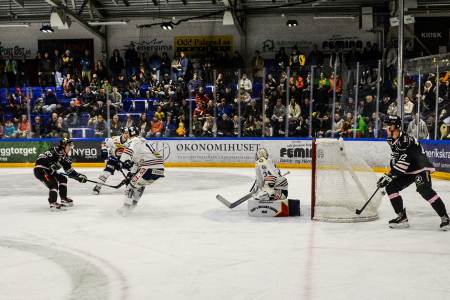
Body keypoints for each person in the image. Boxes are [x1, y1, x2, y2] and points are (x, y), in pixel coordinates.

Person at [378, 115, 449, 230]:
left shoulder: (406, 140)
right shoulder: (391, 139)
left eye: (388, 126)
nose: (386, 128)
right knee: (391, 187)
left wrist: (390, 175)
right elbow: (396, 158)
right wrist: (390, 176)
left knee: (424, 189)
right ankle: (401, 217)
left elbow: (404, 162)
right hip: (408, 169)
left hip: (420, 167)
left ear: (395, 127)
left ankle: (445, 217)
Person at [115, 126, 165, 216]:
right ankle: (132, 206)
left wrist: (120, 162)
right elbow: (138, 160)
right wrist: (132, 173)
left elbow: (128, 152)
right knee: (140, 185)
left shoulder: (133, 141)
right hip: (160, 168)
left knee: (130, 187)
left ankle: (125, 208)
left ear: (130, 135)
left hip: (148, 167)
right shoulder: (144, 141)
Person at [34, 138, 87, 211]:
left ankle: (63, 198)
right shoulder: (55, 151)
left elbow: (69, 171)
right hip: (41, 170)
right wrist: (48, 165)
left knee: (63, 179)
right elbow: (41, 157)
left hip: (50, 171)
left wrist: (79, 177)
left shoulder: (66, 158)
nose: (70, 148)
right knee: (53, 184)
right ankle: (53, 202)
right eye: (69, 146)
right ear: (64, 145)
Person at [92, 127, 130, 195]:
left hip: (122, 161)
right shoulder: (114, 139)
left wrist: (125, 162)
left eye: (128, 133)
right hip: (113, 160)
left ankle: (130, 186)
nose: (127, 135)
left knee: (133, 170)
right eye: (125, 133)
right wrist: (104, 150)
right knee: (107, 172)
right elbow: (104, 143)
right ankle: (97, 187)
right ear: (122, 133)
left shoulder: (130, 142)